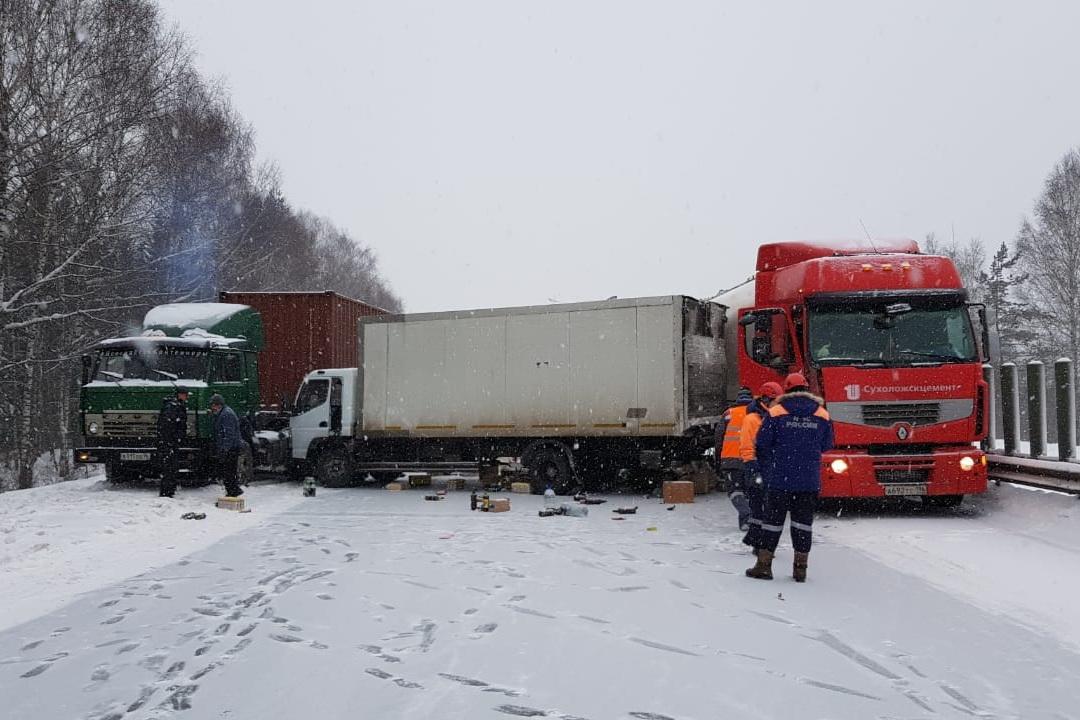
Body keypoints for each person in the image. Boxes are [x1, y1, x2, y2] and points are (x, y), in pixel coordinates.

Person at [746, 372, 833, 582]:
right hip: (808, 481)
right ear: (806, 388)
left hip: (780, 479)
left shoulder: (776, 412)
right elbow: (827, 444)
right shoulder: (822, 414)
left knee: (772, 523)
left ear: (786, 389)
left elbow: (762, 443)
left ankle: (764, 566)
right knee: (803, 524)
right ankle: (800, 569)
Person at [739, 381, 783, 553]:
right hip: (757, 467)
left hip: (770, 468)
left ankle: (758, 541)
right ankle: (758, 543)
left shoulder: (772, 417)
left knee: (767, 508)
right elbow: (746, 446)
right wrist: (753, 469)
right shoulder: (752, 419)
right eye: (776, 401)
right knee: (759, 508)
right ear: (766, 400)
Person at [716, 387, 754, 530]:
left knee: (735, 491)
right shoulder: (757, 414)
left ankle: (746, 517)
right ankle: (747, 521)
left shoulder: (728, 414)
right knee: (749, 491)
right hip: (750, 459)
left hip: (730, 459)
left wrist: (718, 458)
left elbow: (719, 438)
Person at [209, 394, 246, 497]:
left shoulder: (226, 415)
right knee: (229, 471)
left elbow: (228, 434)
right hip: (231, 447)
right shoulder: (224, 413)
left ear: (218, 405)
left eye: (213, 405)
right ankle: (233, 491)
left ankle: (232, 492)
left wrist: (225, 449)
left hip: (231, 448)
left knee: (229, 472)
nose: (212, 408)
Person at [155, 387, 189, 498]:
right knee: (170, 467)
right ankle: (167, 491)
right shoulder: (173, 407)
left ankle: (169, 490)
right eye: (185, 395)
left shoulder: (173, 405)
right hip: (170, 442)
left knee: (170, 466)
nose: (187, 397)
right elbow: (169, 424)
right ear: (180, 395)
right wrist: (175, 437)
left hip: (169, 441)